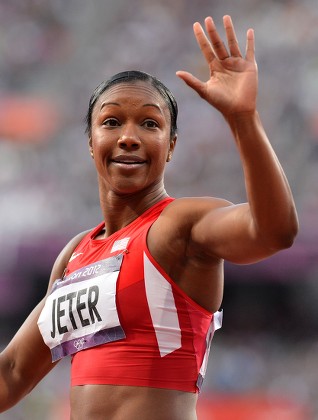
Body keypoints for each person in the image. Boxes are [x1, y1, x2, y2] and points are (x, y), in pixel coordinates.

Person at [0, 15, 298, 420]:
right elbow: (14, 372)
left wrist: (243, 119)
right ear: (91, 143)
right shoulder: (75, 256)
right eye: (111, 121)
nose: (128, 135)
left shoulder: (183, 224)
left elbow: (273, 231)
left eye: (150, 123)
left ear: (171, 146)